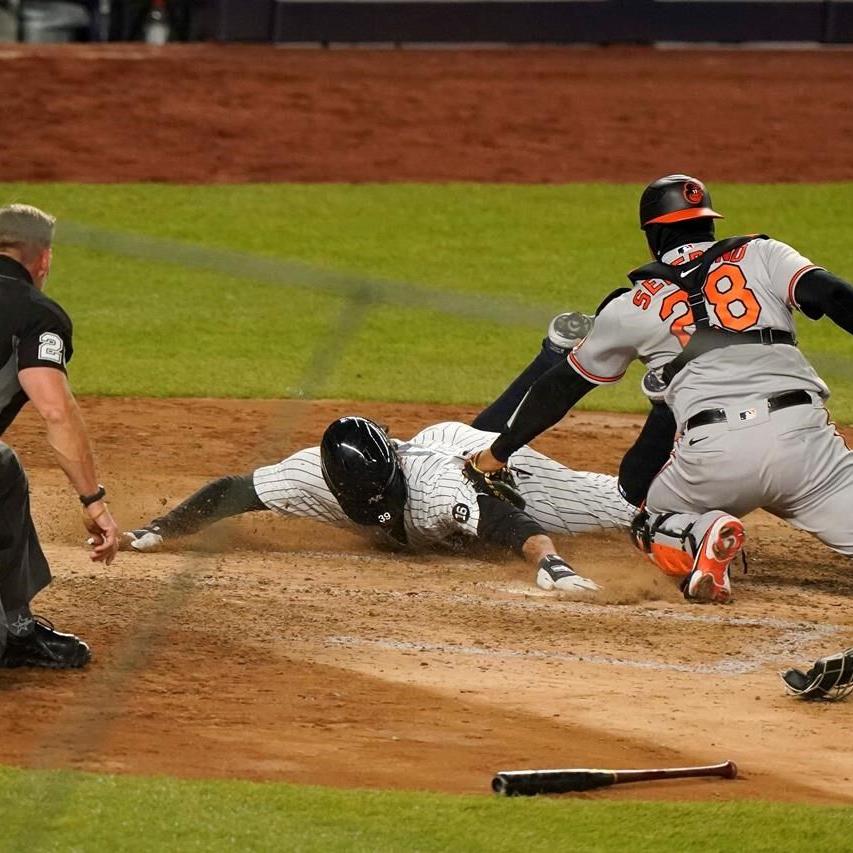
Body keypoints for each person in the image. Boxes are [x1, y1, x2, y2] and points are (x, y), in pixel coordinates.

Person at [469, 174, 853, 604]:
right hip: (806, 442)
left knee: (648, 518)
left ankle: (700, 535)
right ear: (708, 223)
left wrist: (498, 452)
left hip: (714, 456)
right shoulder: (764, 254)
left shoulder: (631, 305)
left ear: (654, 235)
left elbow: (558, 388)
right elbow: (836, 296)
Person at [121, 417, 636, 594]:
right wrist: (160, 529)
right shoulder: (308, 476)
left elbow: (507, 519)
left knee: (619, 506)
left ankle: (693, 510)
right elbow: (234, 492)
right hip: (444, 477)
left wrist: (552, 563)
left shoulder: (436, 485)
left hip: (477, 462)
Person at [0, 204, 119, 668]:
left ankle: (16, 625)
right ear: (43, 259)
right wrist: (94, 500)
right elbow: (55, 409)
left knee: (4, 468)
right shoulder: (35, 314)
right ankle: (11, 631)